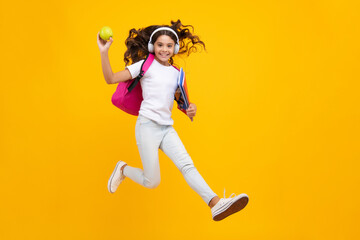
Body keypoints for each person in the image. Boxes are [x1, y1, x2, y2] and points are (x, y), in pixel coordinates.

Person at [97, 20, 249, 221]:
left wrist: (191, 109)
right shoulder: (144, 65)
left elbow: (183, 104)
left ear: (175, 48)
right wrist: (104, 52)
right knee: (152, 182)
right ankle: (123, 169)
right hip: (147, 126)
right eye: (160, 45)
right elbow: (110, 78)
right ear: (153, 46)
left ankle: (215, 203)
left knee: (187, 166)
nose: (164, 49)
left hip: (166, 129)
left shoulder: (177, 74)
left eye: (169, 46)